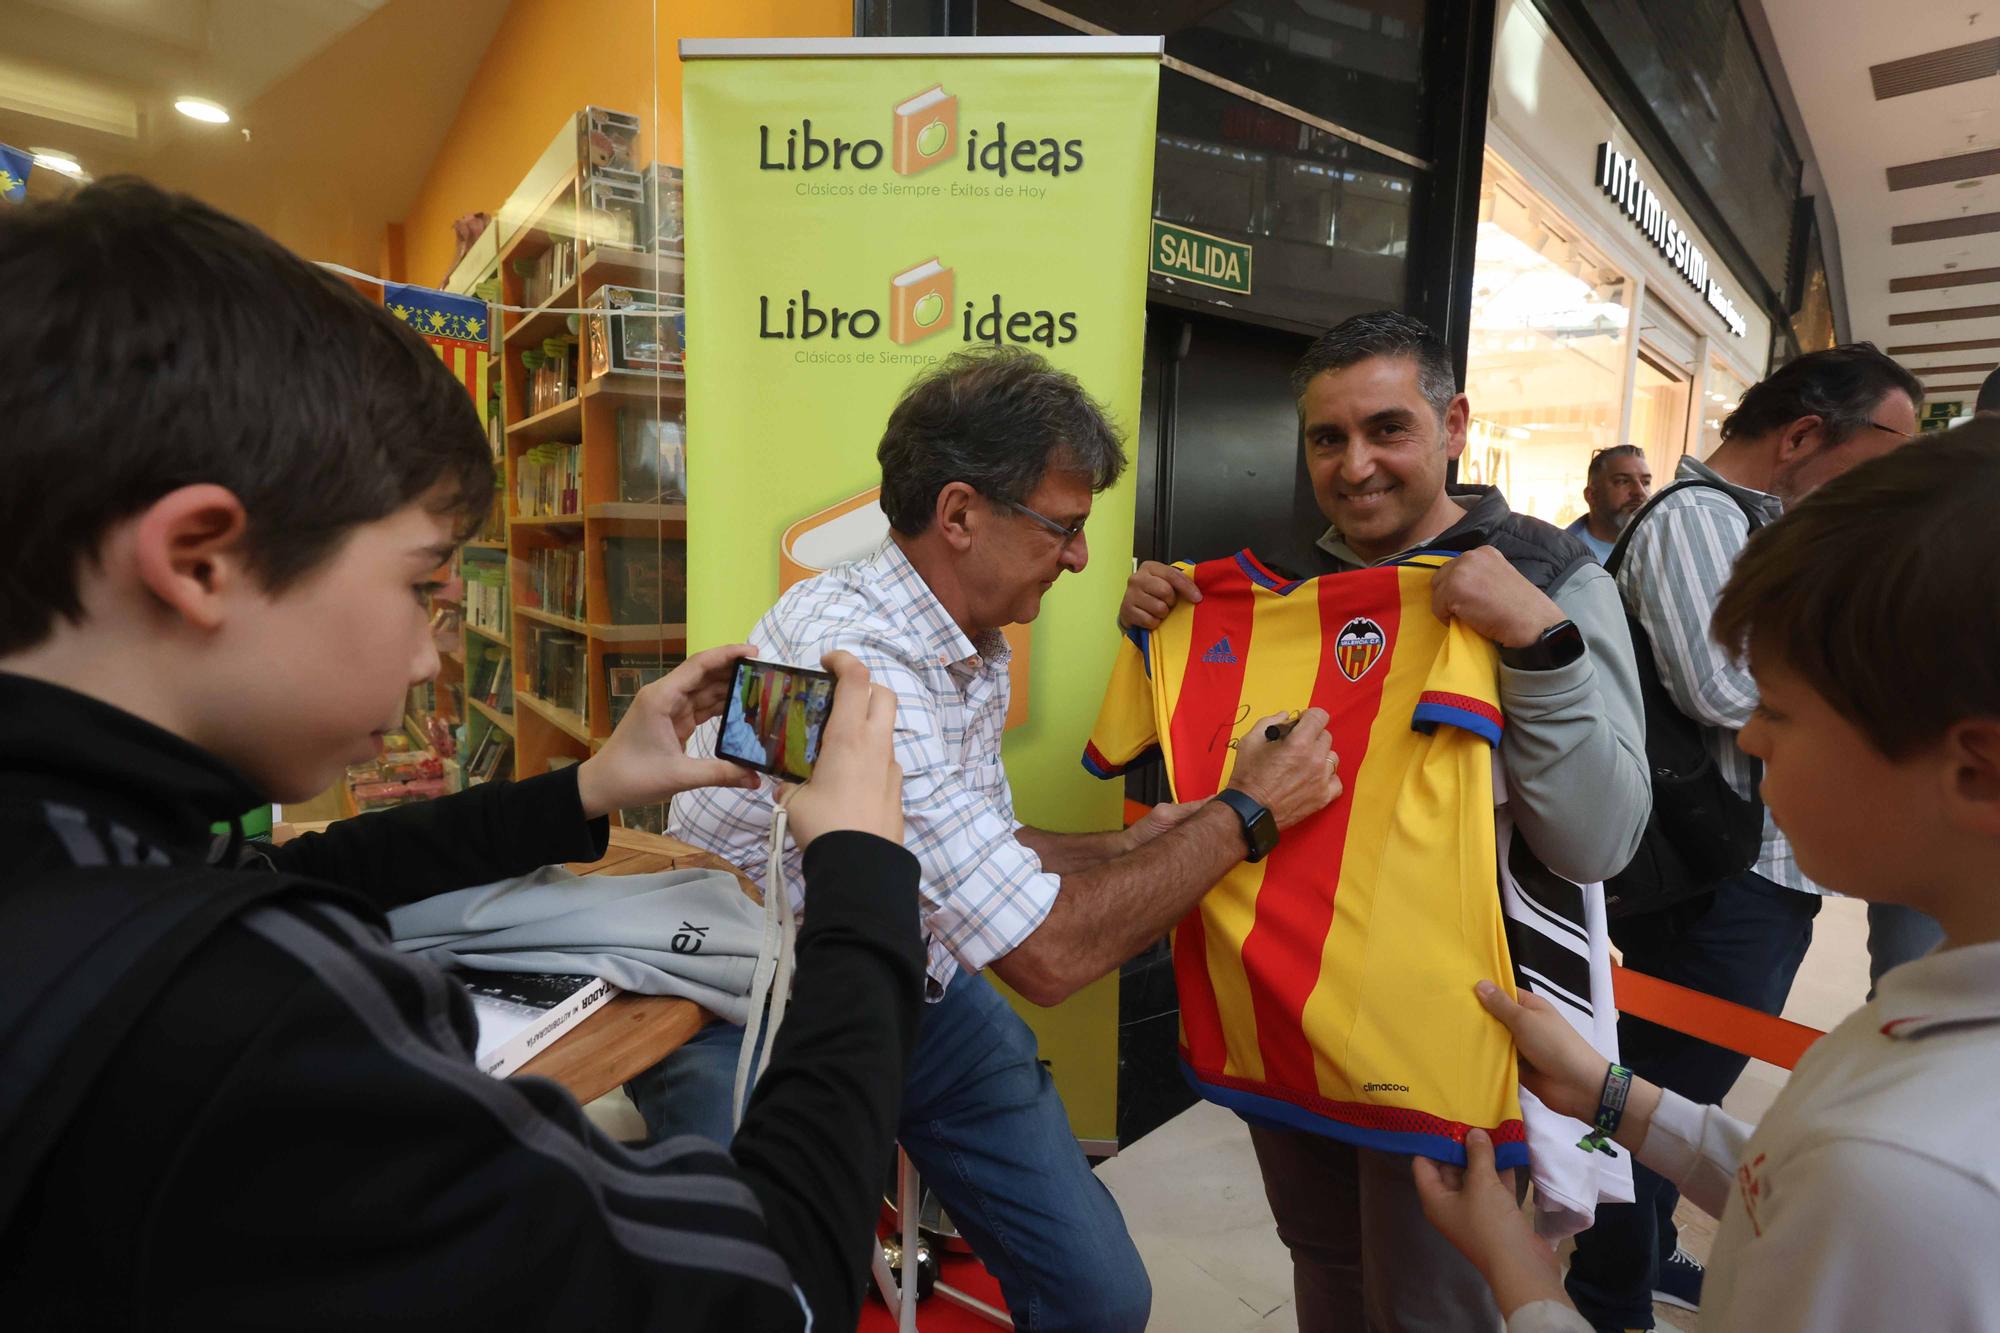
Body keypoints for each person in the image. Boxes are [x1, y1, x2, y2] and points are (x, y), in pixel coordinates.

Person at [0, 178, 926, 1331]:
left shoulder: (91, 861)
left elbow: (307, 873)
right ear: (199, 559)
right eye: (421, 583)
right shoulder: (250, 1023)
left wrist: (591, 787)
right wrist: (866, 880)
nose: (438, 658)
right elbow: (765, 1290)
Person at [627, 346, 1342, 1333]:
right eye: (1064, 528)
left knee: (1100, 1297)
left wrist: (1140, 845)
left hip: (896, 972)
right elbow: (1045, 956)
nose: (1083, 557)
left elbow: (978, 847)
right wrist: (1243, 816)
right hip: (728, 1000)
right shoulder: (854, 662)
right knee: (767, 1306)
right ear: (959, 515)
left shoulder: (970, 640)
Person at [1119, 310, 1650, 1332]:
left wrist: (1537, 643)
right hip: (1292, 1018)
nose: (1354, 465)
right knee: (1325, 1264)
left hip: (1460, 1041)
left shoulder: (1547, 577)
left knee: (1434, 1302)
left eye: (1386, 429)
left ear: (1452, 424)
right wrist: (1168, 637)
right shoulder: (1284, 585)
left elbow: (1598, 841)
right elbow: (1205, 790)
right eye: (1327, 438)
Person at [1413, 418, 2000, 1333]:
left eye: (1779, 709)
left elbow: (1841, 1179)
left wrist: (1519, 1271)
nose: (1752, 739)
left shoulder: (1908, 1176)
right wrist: (1616, 1095)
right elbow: (1791, 1176)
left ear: (1973, 771)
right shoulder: (1929, 1036)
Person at [1577, 342, 1922, 1327]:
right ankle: (1604, 1295)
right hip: (1713, 873)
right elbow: (1722, 687)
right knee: (1652, 1104)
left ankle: (1635, 1260)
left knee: (1663, 1091)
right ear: (1804, 434)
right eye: (1886, 452)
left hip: (1746, 866)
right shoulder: (1694, 519)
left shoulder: (1753, 529)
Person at [1565, 445, 1652, 562]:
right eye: (1622, 481)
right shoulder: (1561, 556)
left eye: (1646, 482)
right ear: (1591, 495)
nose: (1640, 492)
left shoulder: (1662, 547)